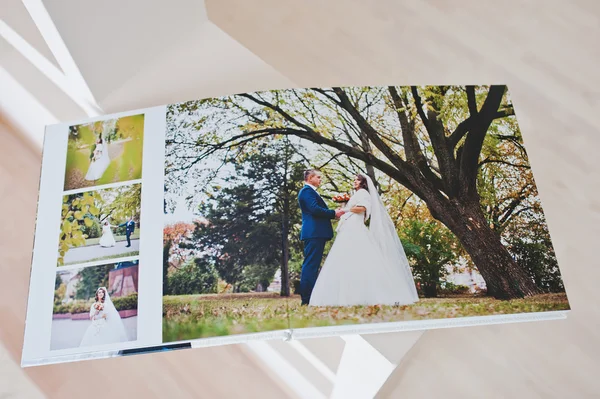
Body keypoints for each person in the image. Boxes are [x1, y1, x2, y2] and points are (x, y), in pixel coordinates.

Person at [309, 174, 419, 306]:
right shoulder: (357, 194)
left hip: (355, 228)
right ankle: (348, 295)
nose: (354, 181)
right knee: (347, 260)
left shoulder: (363, 193)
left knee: (359, 258)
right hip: (349, 228)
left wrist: (345, 209)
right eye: (354, 179)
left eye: (357, 180)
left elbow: (362, 208)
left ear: (363, 182)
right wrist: (345, 205)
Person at [297, 169, 345, 305]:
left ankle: (311, 298)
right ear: (310, 178)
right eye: (318, 177)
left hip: (316, 233)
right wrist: (333, 213)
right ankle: (306, 300)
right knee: (310, 266)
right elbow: (314, 209)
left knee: (312, 265)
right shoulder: (306, 191)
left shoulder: (310, 192)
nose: (320, 180)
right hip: (314, 233)